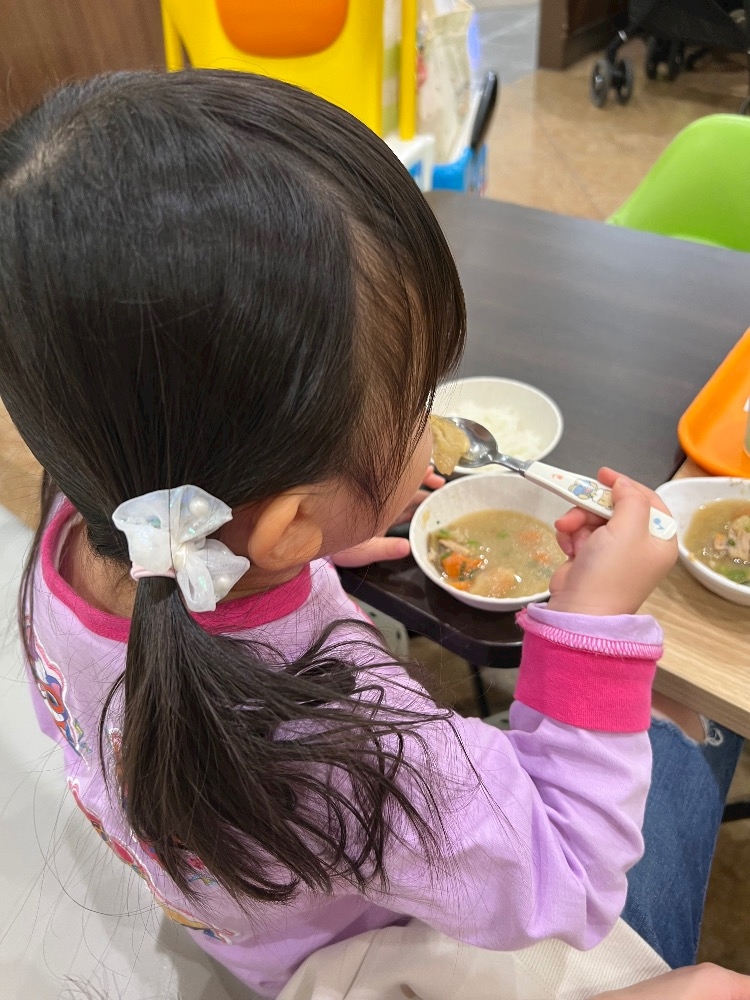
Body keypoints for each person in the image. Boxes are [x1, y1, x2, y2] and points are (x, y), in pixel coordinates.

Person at [0, 70, 744, 1000]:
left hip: (252, 919)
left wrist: (305, 547)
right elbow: (569, 881)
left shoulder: (87, 520)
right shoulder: (353, 753)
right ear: (290, 521)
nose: (433, 421)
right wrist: (593, 628)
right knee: (695, 742)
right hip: (367, 959)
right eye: (419, 400)